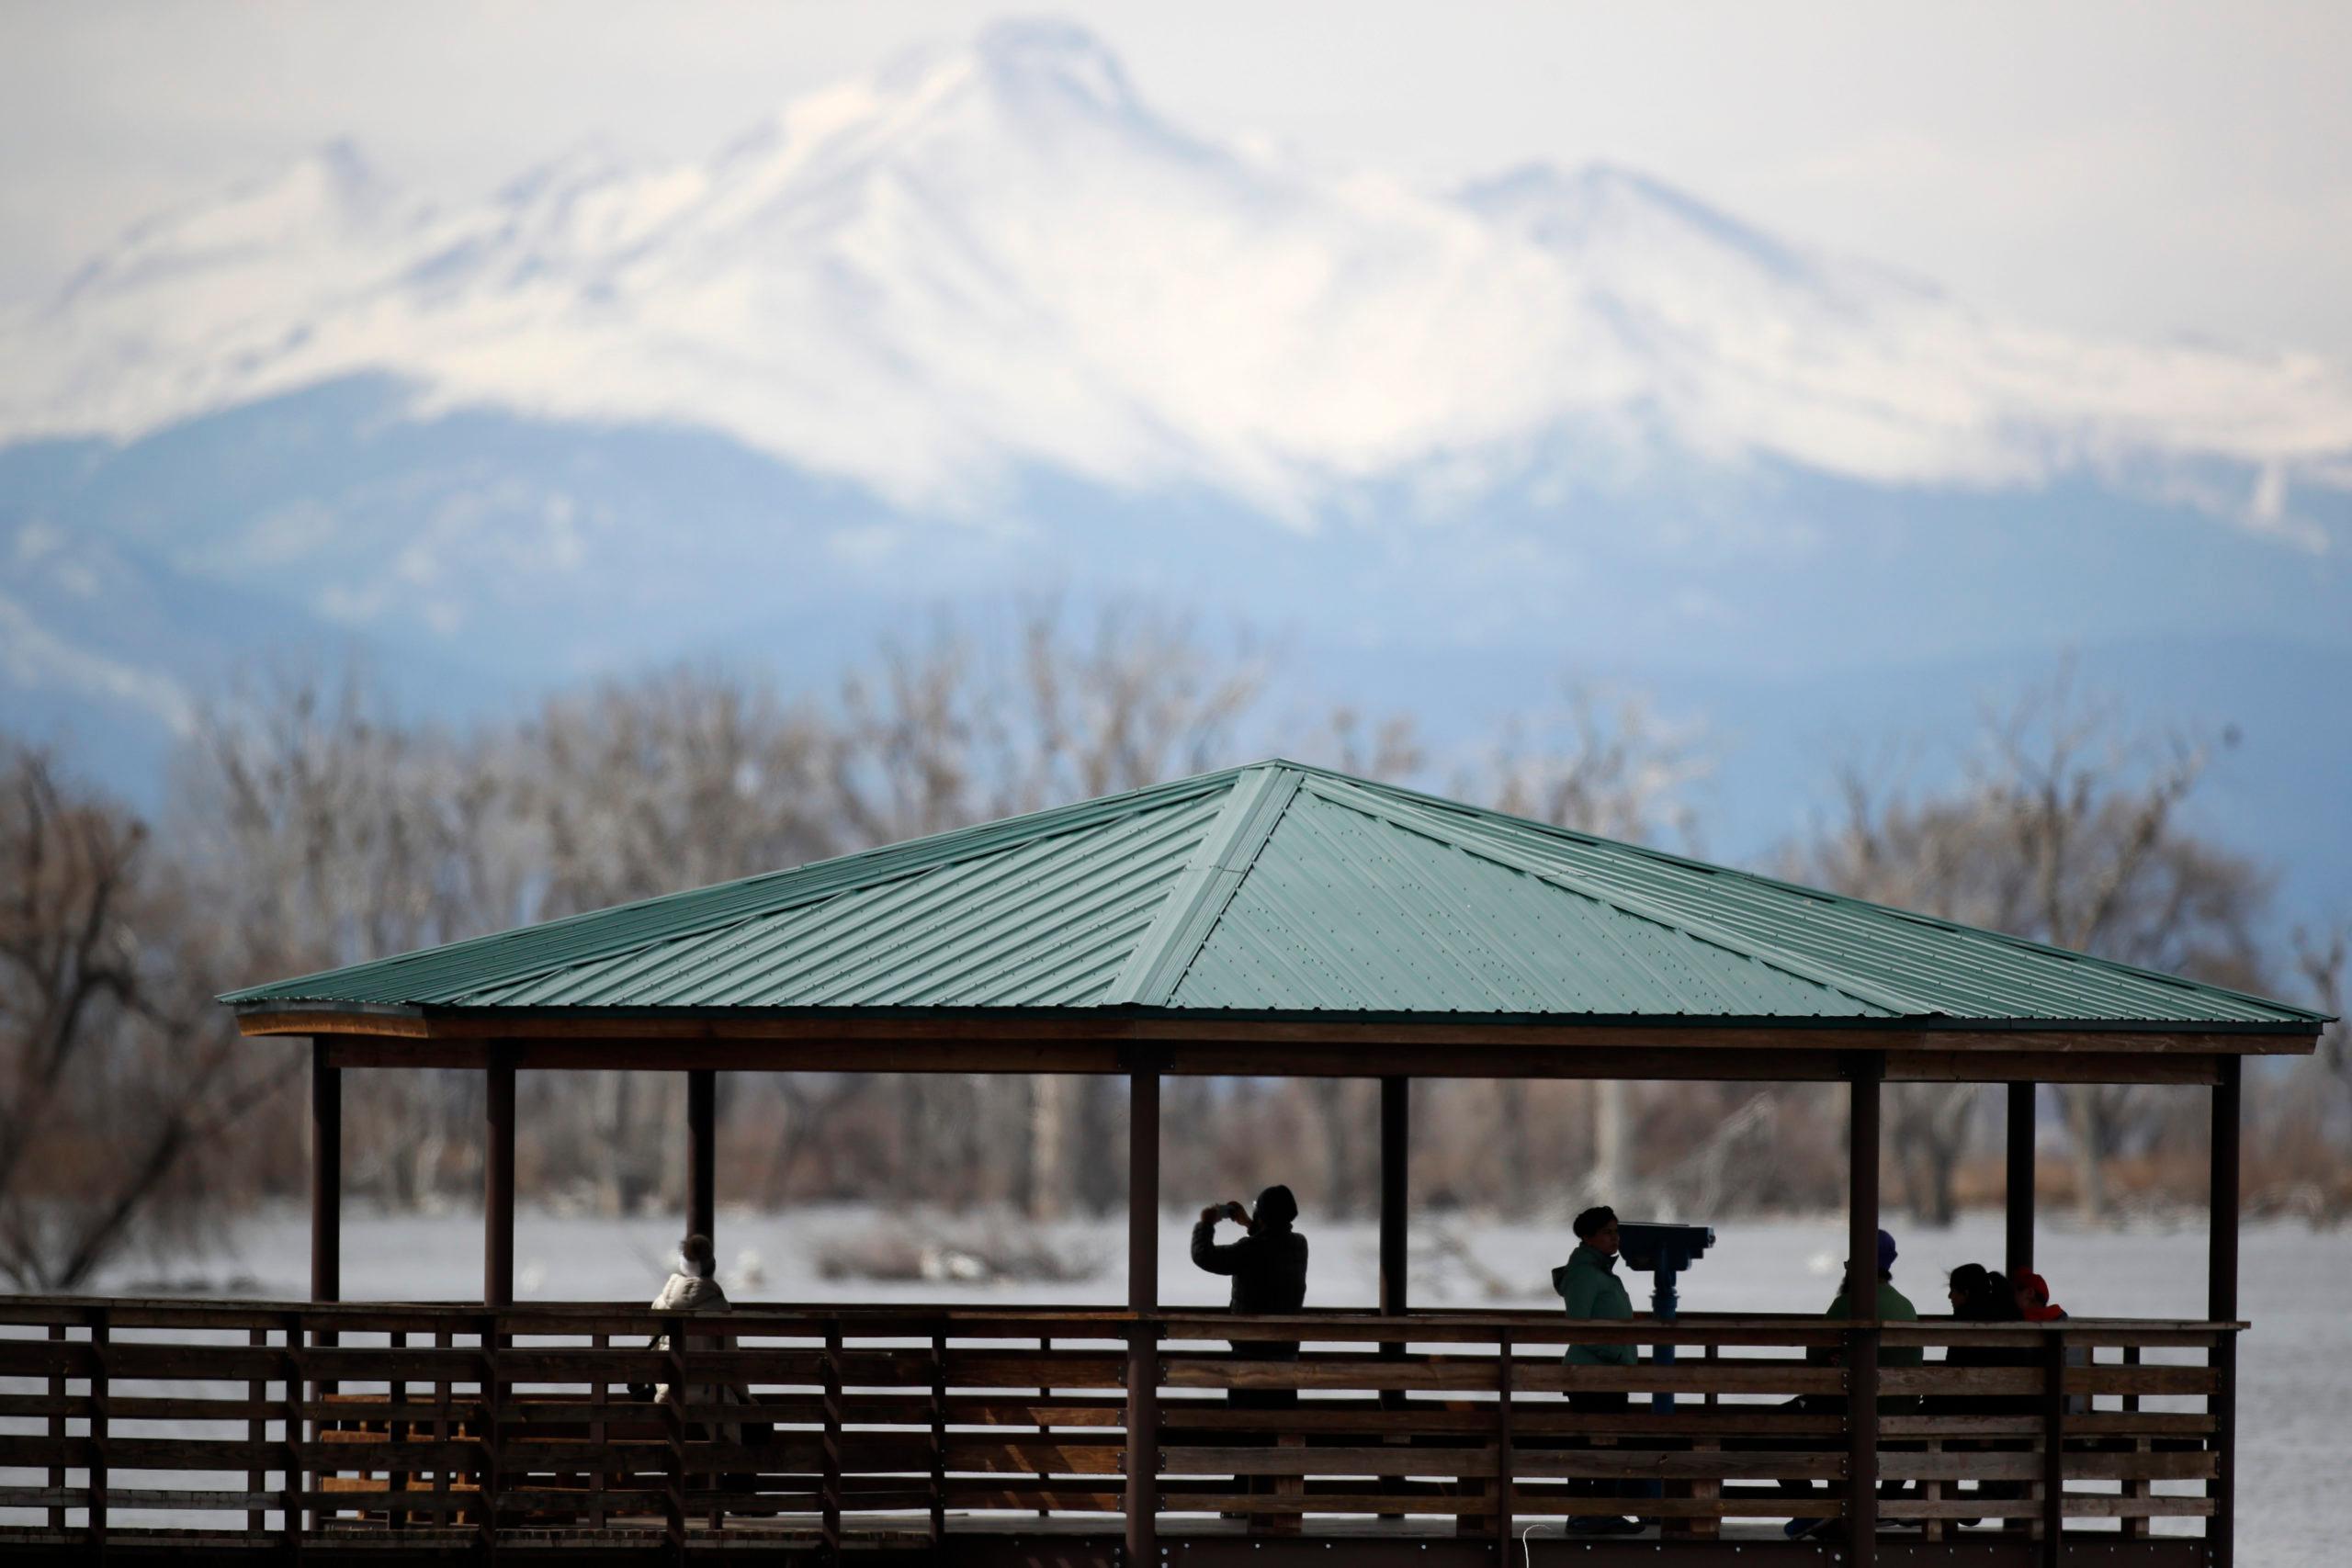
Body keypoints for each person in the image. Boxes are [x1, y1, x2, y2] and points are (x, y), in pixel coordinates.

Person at [1783, 1228, 1923, 1540]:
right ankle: (1870, 1505)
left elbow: (1814, 1356)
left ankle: (1810, 1508)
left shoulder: (1849, 1303)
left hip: (1852, 1414)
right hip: (1901, 1416)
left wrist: (1835, 1358)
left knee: (1778, 1429)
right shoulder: (1906, 1307)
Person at [1192, 1187, 1310, 1527]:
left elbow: (1206, 1258)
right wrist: (1249, 1222)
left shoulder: (1250, 1250)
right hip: (1287, 1359)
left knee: (1245, 1429)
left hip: (1247, 1357)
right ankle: (1275, 1500)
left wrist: (1206, 1224)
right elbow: (1271, 1242)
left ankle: (1243, 1498)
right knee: (1277, 1429)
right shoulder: (1299, 1246)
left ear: (1262, 1216)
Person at [1551, 1205, 1642, 1536]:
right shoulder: (1585, 1274)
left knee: (1606, 1446)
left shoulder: (1602, 1272)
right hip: (1590, 1376)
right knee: (1592, 1448)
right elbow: (1579, 1326)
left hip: (1610, 1376)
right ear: (1588, 1237)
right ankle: (1583, 1515)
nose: (1615, 1238)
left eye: (1616, 1231)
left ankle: (1601, 1512)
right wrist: (1618, 1351)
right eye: (1607, 1232)